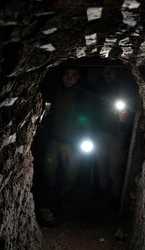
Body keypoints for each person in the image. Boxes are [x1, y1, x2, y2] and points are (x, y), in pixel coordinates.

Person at [40, 67, 91, 213]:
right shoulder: (54, 90)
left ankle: (63, 197)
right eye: (67, 74)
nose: (69, 78)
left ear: (79, 78)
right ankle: (51, 197)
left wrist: (83, 137)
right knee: (49, 170)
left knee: (70, 172)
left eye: (74, 75)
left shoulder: (83, 95)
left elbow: (87, 118)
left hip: (72, 142)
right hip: (54, 139)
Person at [90, 66, 136, 205]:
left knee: (115, 167)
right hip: (100, 132)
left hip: (117, 134)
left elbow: (131, 110)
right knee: (101, 162)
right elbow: (94, 108)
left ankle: (116, 195)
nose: (108, 74)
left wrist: (125, 120)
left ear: (117, 72)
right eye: (106, 71)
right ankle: (103, 190)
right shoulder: (99, 86)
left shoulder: (124, 88)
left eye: (111, 71)